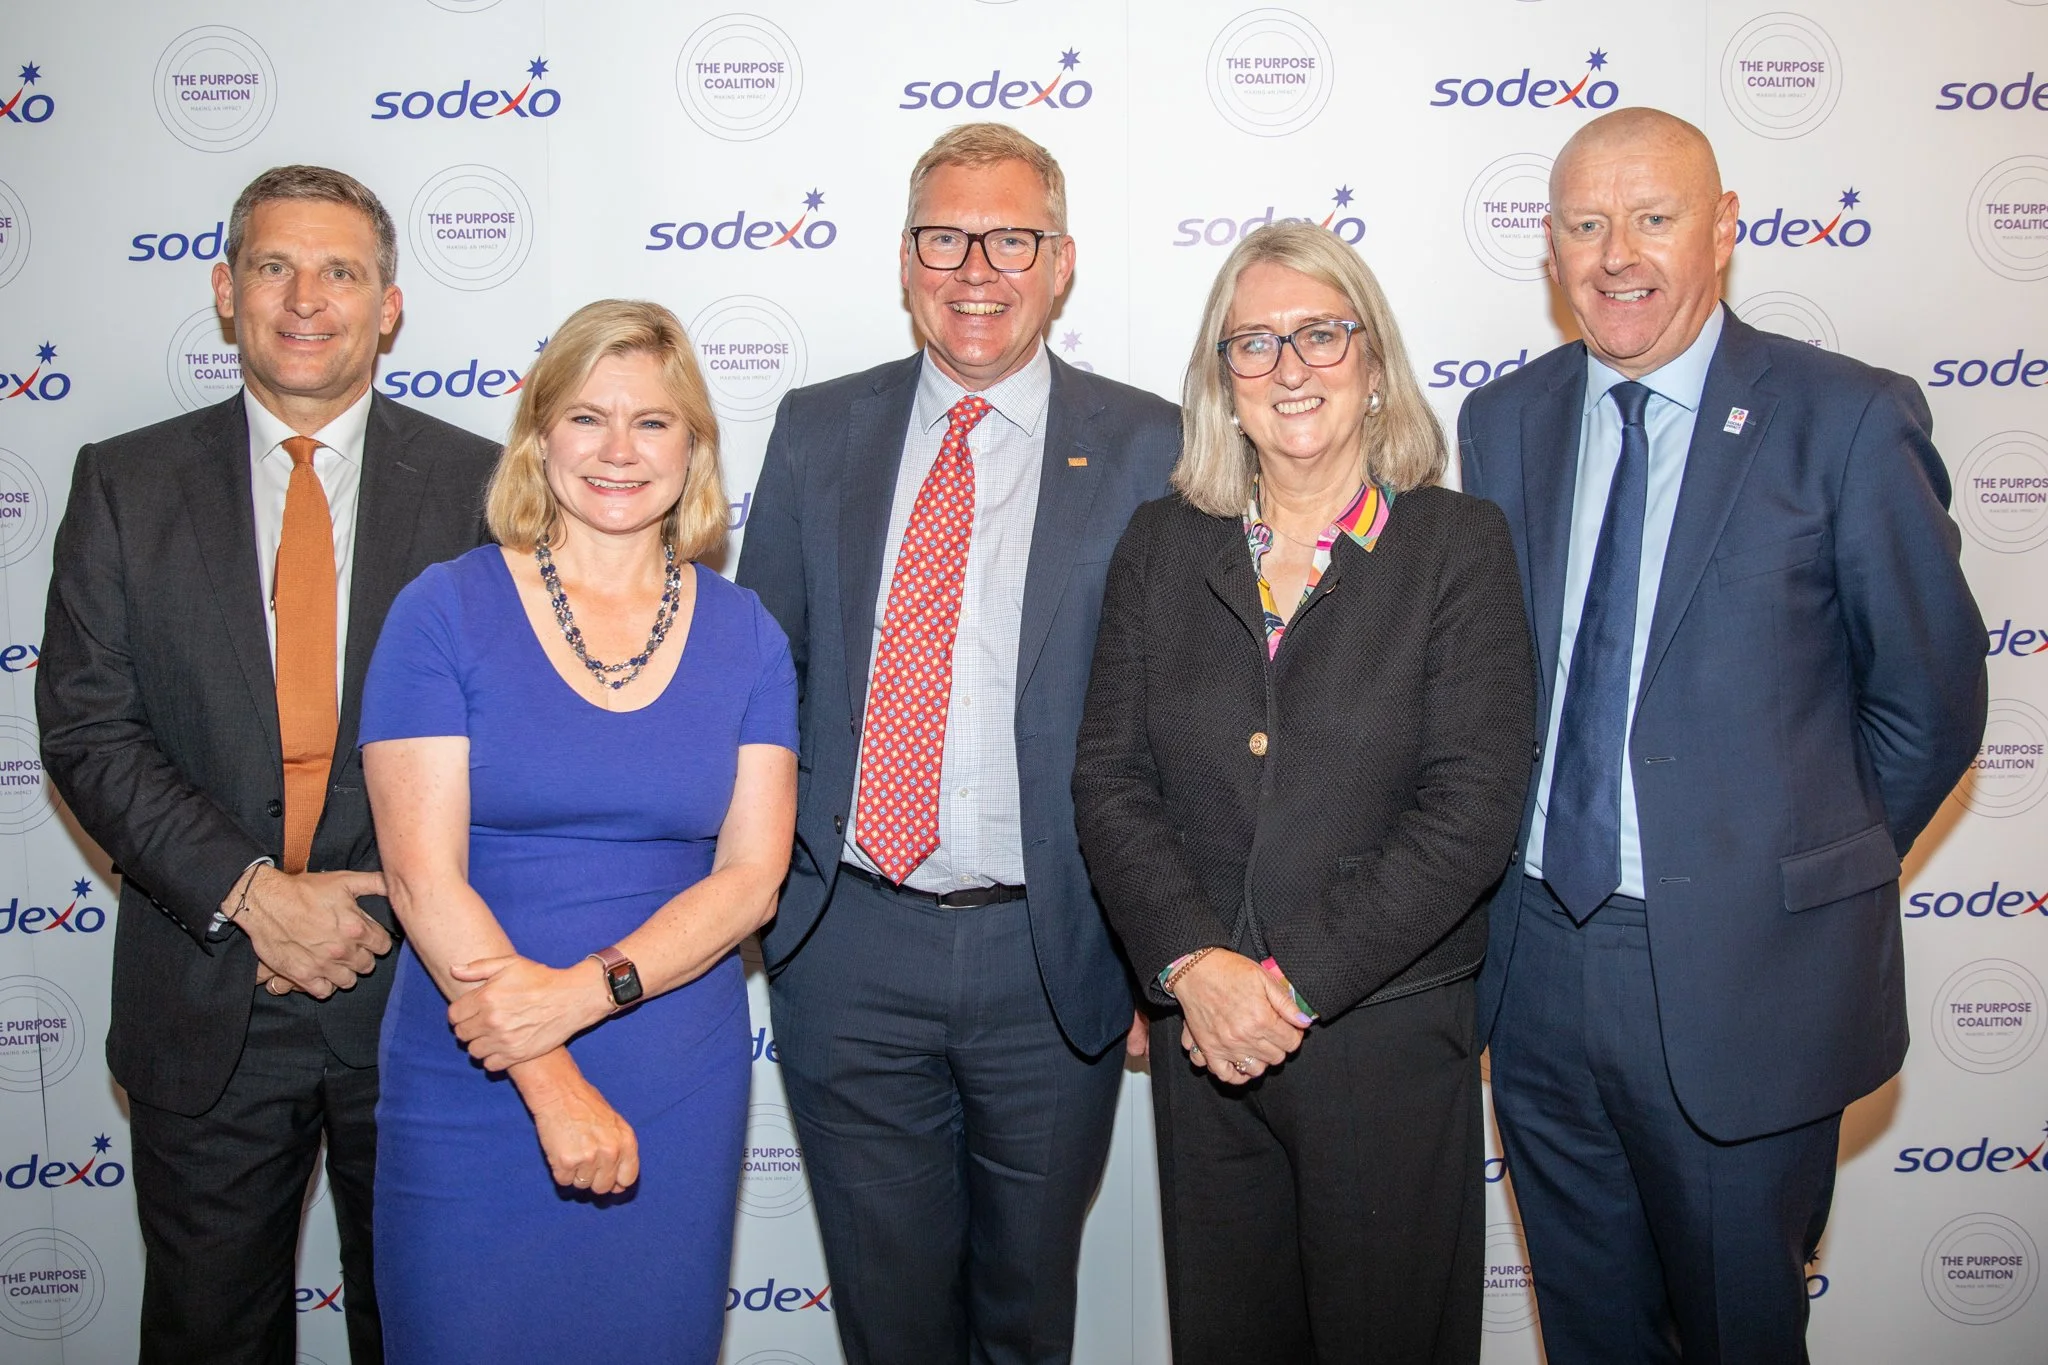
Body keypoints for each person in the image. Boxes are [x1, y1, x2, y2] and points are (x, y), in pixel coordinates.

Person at [1458, 107, 1987, 1363]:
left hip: (1745, 984)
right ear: (1548, 247)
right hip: (1535, 969)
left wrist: (1803, 875)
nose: (1614, 253)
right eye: (1583, 224)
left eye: (1652, 217)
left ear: (1724, 230)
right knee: (1587, 1335)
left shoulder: (1843, 421)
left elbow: (1929, 699)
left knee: (1739, 1334)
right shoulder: (1503, 424)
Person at [35, 165, 498, 1364]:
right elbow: (88, 728)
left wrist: (389, 907)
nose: (306, 298)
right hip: (206, 999)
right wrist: (254, 898)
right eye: (273, 266)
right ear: (224, 290)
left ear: (387, 304)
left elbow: (517, 741)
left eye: (340, 271)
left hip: (423, 1001)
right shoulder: (124, 483)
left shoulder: (484, 489)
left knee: (433, 1335)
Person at [733, 121, 1179, 1365]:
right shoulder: (818, 429)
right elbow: (765, 682)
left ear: (1061, 261)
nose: (974, 268)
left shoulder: (1151, 446)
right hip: (848, 947)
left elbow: (1174, 725)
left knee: (1024, 1315)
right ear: (903, 257)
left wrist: (1160, 952)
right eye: (945, 237)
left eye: (1010, 238)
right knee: (890, 1322)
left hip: (1054, 957)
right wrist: (769, 911)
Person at [1071, 221, 1535, 1364]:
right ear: (1219, 383)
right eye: (1255, 344)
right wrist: (1191, 965)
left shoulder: (1455, 545)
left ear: (1372, 365)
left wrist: (1283, 987)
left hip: (1379, 1036)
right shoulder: (1160, 544)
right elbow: (1109, 779)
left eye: (1321, 335)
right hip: (1205, 1043)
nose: (1290, 368)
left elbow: (1470, 808)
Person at [356, 299, 796, 1363]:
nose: (617, 451)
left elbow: (750, 880)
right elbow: (421, 879)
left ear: (692, 446)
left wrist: (580, 995)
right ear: (537, 433)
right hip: (476, 1065)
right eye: (587, 417)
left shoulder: (746, 634)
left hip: (670, 1069)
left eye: (651, 422)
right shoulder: (441, 610)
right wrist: (548, 1072)